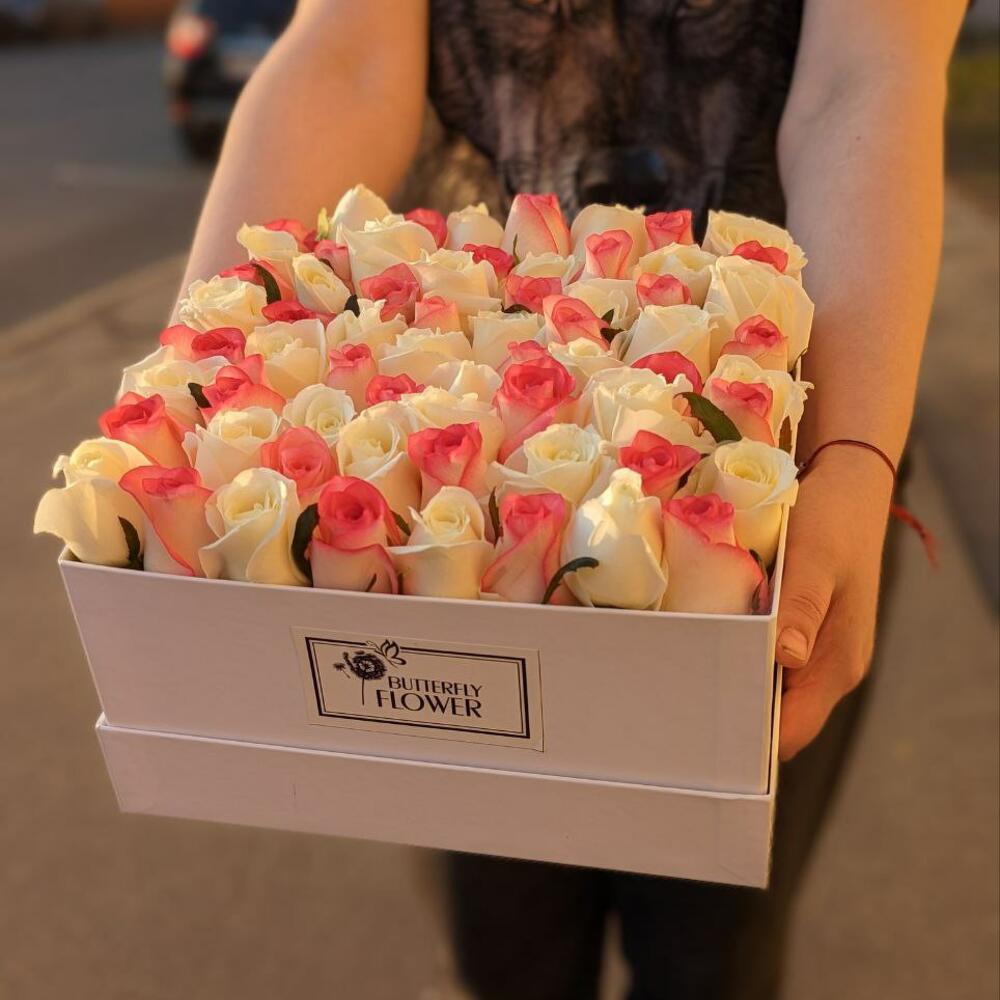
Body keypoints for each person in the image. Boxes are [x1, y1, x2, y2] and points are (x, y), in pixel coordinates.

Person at [173, 2, 966, 996]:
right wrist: (198, 385)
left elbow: (864, 74)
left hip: (792, 418)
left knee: (709, 944)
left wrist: (850, 453)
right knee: (506, 930)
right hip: (471, 425)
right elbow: (349, 58)